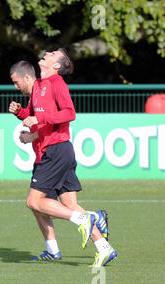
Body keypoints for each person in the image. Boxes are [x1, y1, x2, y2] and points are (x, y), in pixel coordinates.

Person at [9, 51, 116, 267]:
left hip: (55, 151)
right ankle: (103, 248)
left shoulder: (57, 84)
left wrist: (39, 118)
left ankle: (86, 219)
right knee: (65, 205)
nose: (47, 53)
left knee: (34, 202)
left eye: (53, 54)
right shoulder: (38, 85)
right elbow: (33, 115)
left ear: (56, 66)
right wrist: (21, 113)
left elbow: (69, 113)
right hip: (55, 151)